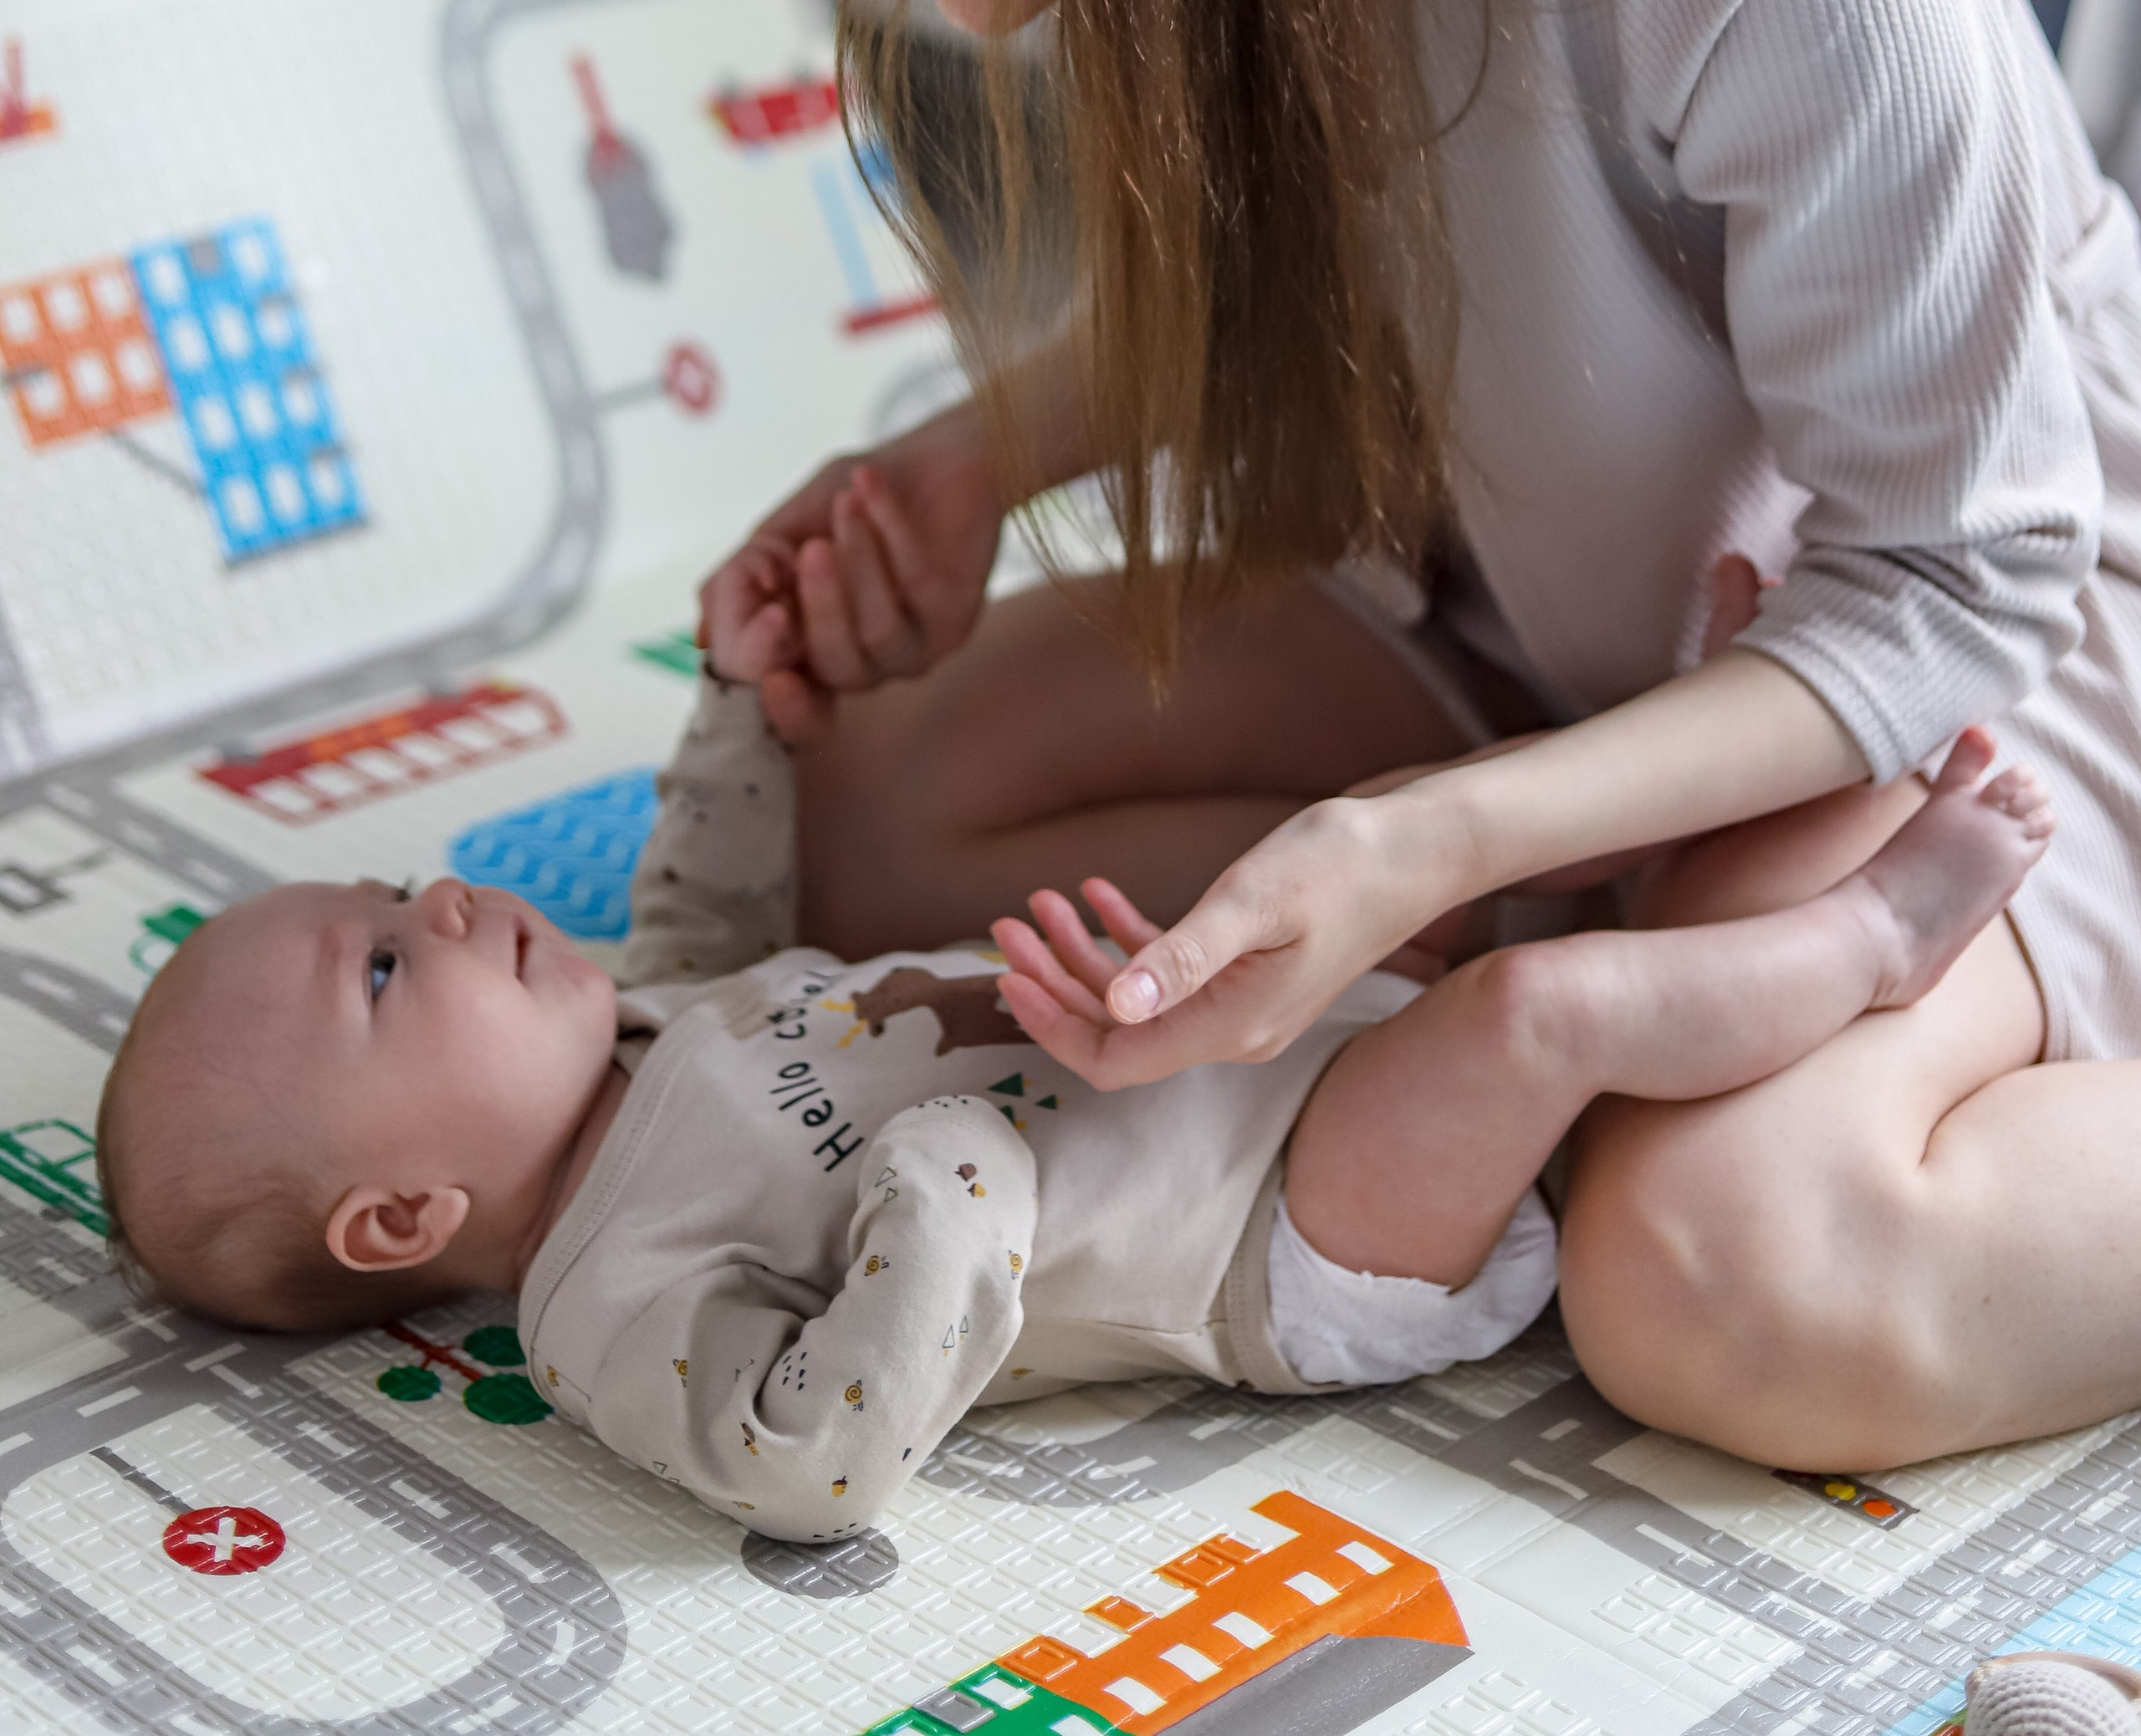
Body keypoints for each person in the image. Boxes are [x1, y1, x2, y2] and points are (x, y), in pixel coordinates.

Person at [639, 0, 2141, 1471]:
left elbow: (1950, 570)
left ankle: (1679, 964)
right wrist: (968, 466)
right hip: (1530, 596)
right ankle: (1633, 930)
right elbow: (1375, 263)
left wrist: (1421, 852)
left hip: (1956, 649)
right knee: (868, 801)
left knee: (1729, 1280)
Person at [91, 671, 2049, 1539]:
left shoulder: (637, 1032)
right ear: (400, 1223)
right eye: (377, 968)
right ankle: (1875, 936)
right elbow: (804, 1468)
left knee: (1462, 863)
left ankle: (1734, 743)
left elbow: (705, 907)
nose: (429, 898)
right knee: (1532, 1017)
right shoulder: (603, 1306)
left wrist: (740, 718)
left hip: (1233, 1050)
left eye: (383, 894)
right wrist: (946, 1202)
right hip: (1276, 1237)